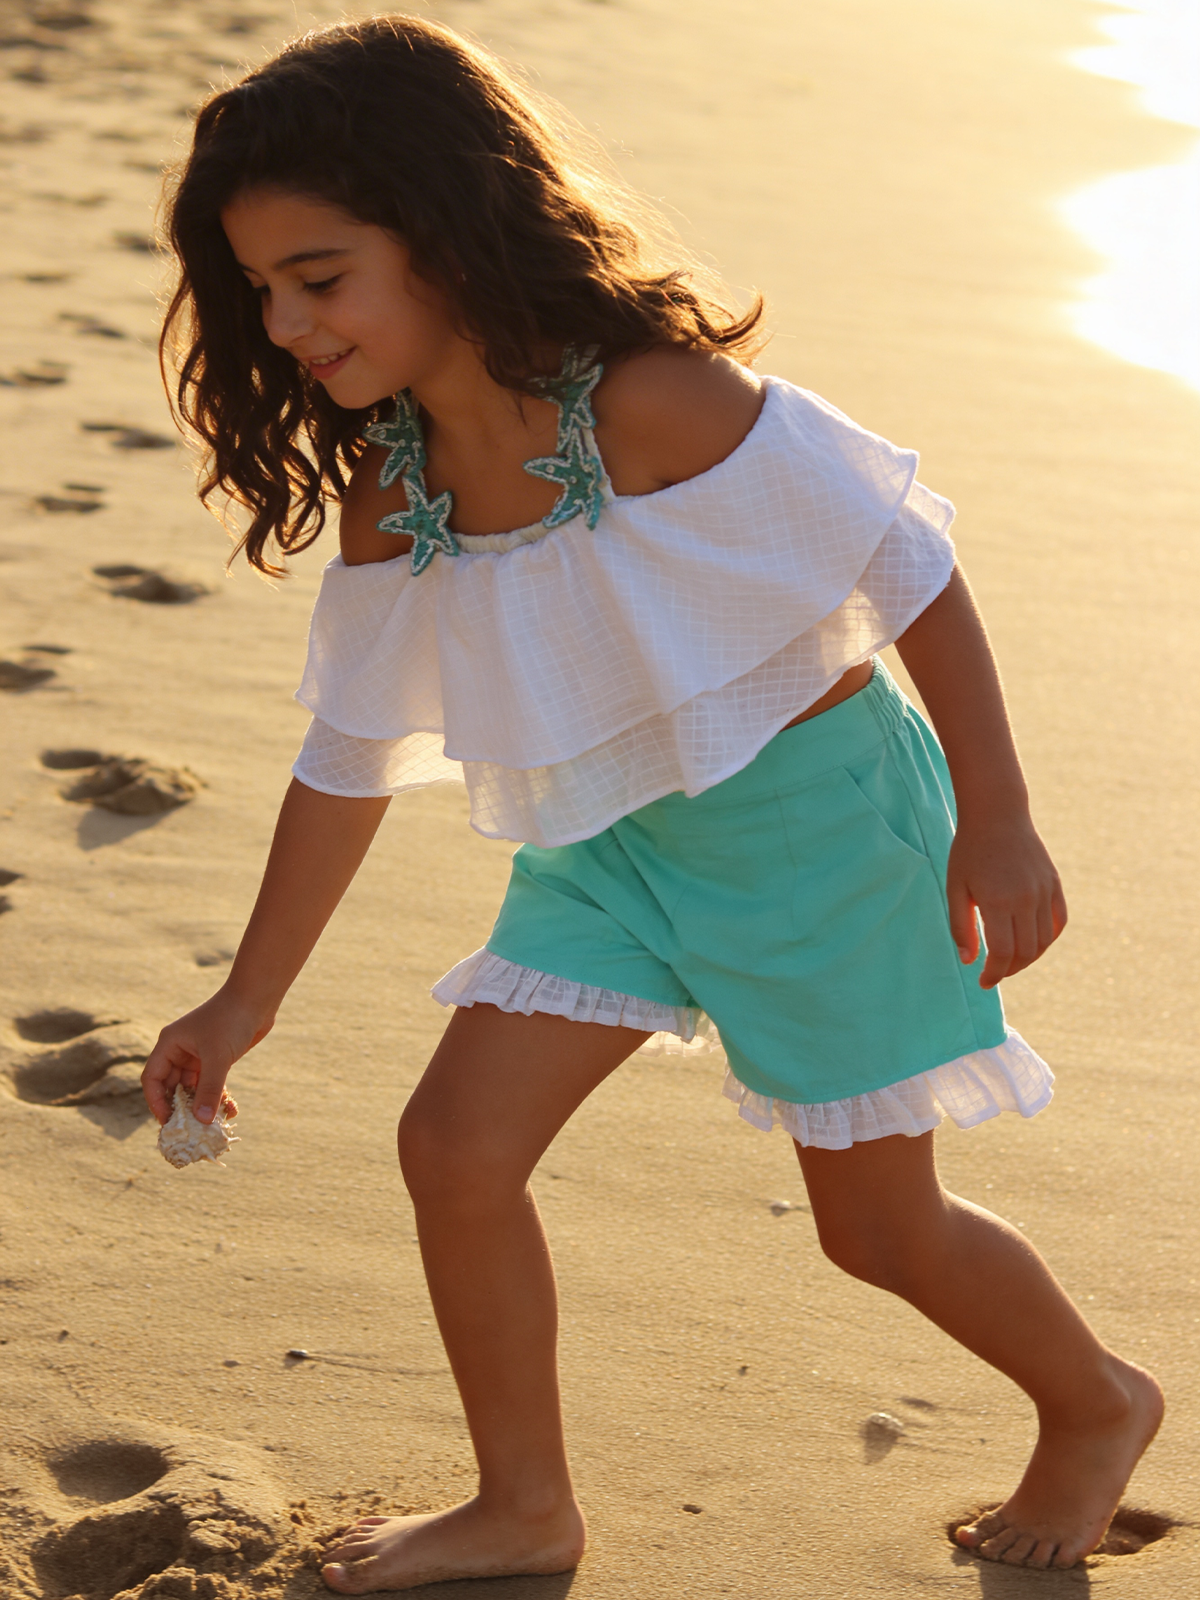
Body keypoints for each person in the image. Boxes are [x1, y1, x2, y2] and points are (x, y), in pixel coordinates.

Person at [141, 14, 1162, 1592]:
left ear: (448, 230)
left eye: (319, 277)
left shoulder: (656, 404)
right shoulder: (394, 493)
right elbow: (346, 757)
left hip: (821, 842)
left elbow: (909, 570)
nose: (280, 322)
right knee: (453, 1148)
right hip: (608, 848)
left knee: (876, 1232)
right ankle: (526, 1505)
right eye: (258, 288)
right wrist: (245, 994)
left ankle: (1096, 1405)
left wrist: (999, 817)